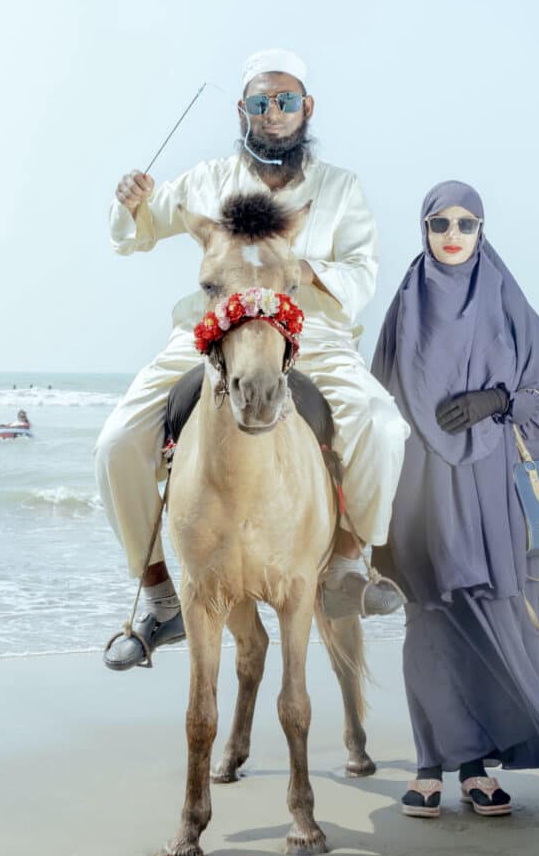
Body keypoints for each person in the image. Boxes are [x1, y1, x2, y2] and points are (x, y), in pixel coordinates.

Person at [96, 48, 409, 671]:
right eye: (261, 102)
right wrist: (129, 199)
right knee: (114, 443)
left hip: (310, 331)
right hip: (212, 332)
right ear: (243, 110)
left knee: (382, 424)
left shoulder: (340, 188)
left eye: (285, 101)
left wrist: (301, 271)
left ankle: (348, 559)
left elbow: (363, 273)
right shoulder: (206, 178)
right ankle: (160, 596)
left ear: (306, 109)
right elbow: (137, 232)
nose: (273, 113)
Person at [371, 180, 539, 818]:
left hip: (492, 482)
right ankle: (429, 765)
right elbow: (376, 402)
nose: (453, 234)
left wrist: (499, 402)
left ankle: (475, 769)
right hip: (420, 485)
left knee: (493, 613)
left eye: (466, 223)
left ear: (481, 230)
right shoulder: (407, 302)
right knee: (431, 618)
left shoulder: (504, 297)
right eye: (440, 222)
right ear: (422, 229)